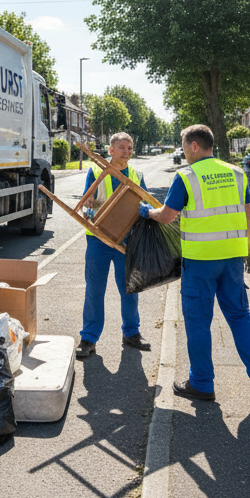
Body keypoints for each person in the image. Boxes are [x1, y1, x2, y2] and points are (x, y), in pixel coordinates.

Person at [141, 124, 250, 402]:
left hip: (201, 262)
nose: (184, 153)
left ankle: (202, 383)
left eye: (183, 145)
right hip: (233, 260)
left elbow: (167, 216)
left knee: (198, 322)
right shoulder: (236, 173)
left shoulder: (187, 176)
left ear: (194, 146)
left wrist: (147, 212)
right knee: (240, 317)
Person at [77, 132, 151, 360]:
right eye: (122, 147)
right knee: (94, 290)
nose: (126, 152)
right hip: (99, 239)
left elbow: (146, 201)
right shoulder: (97, 171)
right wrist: (89, 209)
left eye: (129, 148)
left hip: (126, 241)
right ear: (111, 150)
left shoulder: (137, 175)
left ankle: (131, 333)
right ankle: (89, 338)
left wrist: (145, 210)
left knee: (129, 289)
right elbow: (85, 203)